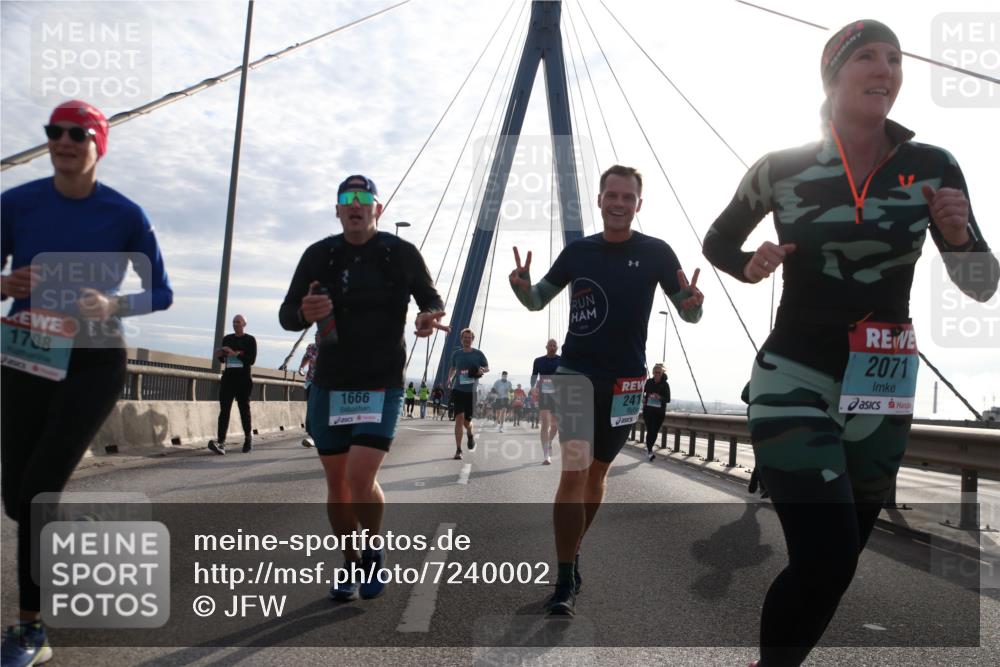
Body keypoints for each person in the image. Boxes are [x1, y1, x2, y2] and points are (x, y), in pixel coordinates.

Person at [702, 20, 997, 667]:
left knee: (839, 563)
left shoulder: (933, 166)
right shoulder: (783, 166)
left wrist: (963, 236)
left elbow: (982, 285)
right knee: (827, 552)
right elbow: (717, 241)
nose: (886, 68)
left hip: (883, 386)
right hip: (793, 375)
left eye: (895, 58)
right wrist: (749, 262)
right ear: (833, 74)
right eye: (868, 55)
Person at [0, 100, 173, 667]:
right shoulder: (15, 203)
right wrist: (4, 281)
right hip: (25, 356)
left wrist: (113, 302)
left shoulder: (125, 214)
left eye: (77, 133)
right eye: (55, 132)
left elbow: (161, 292)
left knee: (39, 490)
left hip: (94, 362)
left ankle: (31, 629)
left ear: (99, 143)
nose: (64, 141)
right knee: (15, 498)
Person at [509, 164, 704, 616]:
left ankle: (573, 551)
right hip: (575, 374)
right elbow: (539, 300)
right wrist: (521, 289)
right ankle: (562, 579)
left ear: (639, 204)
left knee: (597, 476)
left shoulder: (657, 252)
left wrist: (694, 307)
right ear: (599, 201)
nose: (619, 204)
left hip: (626, 383)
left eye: (627, 197)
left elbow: (688, 314)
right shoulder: (579, 252)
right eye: (611, 196)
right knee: (573, 472)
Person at [279, 174, 448, 602]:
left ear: (378, 208)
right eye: (347, 198)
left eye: (364, 198)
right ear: (337, 210)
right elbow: (287, 315)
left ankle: (372, 550)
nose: (355, 204)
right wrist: (303, 311)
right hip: (331, 381)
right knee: (337, 485)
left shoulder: (401, 253)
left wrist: (428, 316)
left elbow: (431, 298)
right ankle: (350, 563)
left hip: (382, 381)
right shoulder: (319, 255)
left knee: (359, 476)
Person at [208, 314, 257, 454]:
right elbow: (225, 360)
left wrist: (234, 353)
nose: (235, 324)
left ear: (244, 324)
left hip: (243, 380)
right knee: (224, 411)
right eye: (234, 322)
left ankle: (248, 438)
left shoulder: (250, 340)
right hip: (228, 379)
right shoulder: (227, 339)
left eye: (238, 322)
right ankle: (221, 442)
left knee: (244, 410)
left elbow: (251, 360)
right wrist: (220, 356)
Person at [446, 328, 488, 460]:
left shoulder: (478, 354)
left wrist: (481, 370)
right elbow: (453, 368)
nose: (467, 340)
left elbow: (486, 367)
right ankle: (458, 450)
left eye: (469, 338)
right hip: (458, 390)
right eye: (465, 337)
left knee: (467, 421)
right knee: (458, 419)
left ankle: (470, 433)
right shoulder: (456, 354)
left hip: (471, 392)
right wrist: (449, 379)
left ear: (472, 339)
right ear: (461, 339)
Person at [531, 338, 561, 464]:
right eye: (550, 345)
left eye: (554, 345)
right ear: (546, 347)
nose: (552, 347)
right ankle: (546, 455)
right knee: (545, 423)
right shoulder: (538, 361)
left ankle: (548, 442)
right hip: (544, 394)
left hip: (558, 394)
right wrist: (533, 388)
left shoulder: (562, 361)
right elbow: (534, 375)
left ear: (557, 347)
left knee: (555, 425)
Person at [641, 363, 670, 461]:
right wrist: (643, 399)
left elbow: (668, 399)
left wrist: (660, 397)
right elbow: (642, 393)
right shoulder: (648, 382)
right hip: (648, 411)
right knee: (651, 430)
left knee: (655, 432)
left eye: (659, 372)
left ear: (662, 373)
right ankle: (649, 451)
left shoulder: (665, 384)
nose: (657, 374)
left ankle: (649, 448)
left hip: (659, 412)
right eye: (655, 372)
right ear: (653, 372)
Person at [297, 332, 320, 448]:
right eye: (315, 335)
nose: (316, 337)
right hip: (311, 382)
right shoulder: (311, 347)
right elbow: (306, 358)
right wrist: (301, 368)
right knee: (311, 407)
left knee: (321, 409)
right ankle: (312, 435)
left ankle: (319, 434)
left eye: (319, 335)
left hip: (325, 384)